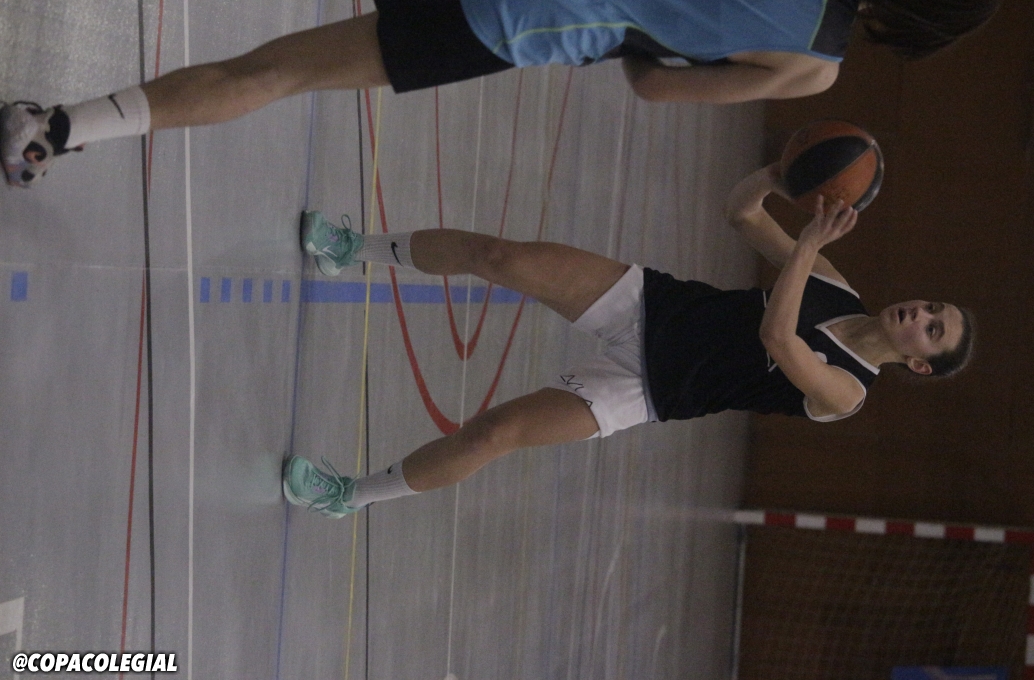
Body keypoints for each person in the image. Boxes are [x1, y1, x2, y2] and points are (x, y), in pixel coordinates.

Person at [281, 164, 974, 517]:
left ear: (919, 362)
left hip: (645, 388)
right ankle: (350, 247)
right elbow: (741, 214)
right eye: (932, 306)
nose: (920, 312)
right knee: (500, 256)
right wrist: (778, 175)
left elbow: (777, 335)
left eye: (932, 328)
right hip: (652, 304)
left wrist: (809, 248)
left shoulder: (847, 393)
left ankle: (348, 494)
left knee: (493, 433)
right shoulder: (837, 286)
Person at [1, 0, 1008, 187]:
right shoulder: (812, 66)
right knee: (273, 72)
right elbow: (656, 84)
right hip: (528, 9)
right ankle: (56, 130)